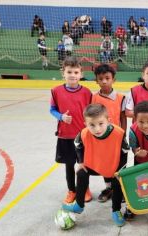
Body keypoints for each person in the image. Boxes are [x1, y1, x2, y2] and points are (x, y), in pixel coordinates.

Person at [62, 104, 128, 227]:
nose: (97, 129)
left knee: (117, 181)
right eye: (92, 125)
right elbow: (77, 145)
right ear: (85, 124)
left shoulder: (119, 133)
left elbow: (124, 152)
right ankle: (79, 205)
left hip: (112, 167)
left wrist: (120, 171)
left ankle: (116, 210)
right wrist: (81, 162)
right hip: (94, 164)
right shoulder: (84, 133)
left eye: (101, 124)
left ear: (108, 121)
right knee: (81, 172)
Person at [50, 56, 92, 204]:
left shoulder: (87, 92)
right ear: (64, 73)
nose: (73, 75)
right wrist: (61, 117)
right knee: (69, 165)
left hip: (83, 137)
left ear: (81, 74)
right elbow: (52, 110)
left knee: (84, 165)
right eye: (69, 72)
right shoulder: (56, 91)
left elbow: (91, 112)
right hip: (65, 136)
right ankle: (71, 190)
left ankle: (85, 188)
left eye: (76, 72)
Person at [91, 64, 127, 203]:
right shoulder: (93, 98)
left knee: (118, 165)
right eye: (101, 79)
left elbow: (123, 117)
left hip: (116, 138)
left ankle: (121, 189)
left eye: (107, 78)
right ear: (96, 81)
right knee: (105, 165)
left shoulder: (121, 97)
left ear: (114, 79)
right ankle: (109, 188)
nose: (104, 81)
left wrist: (122, 135)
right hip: (101, 138)